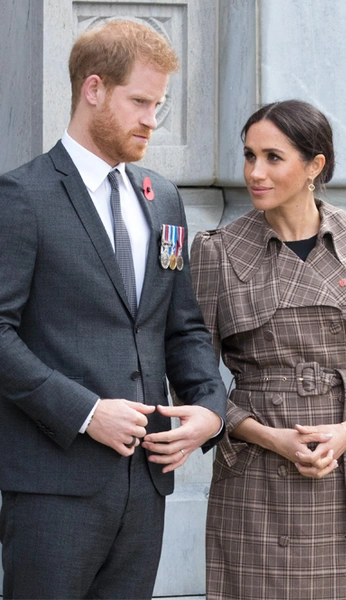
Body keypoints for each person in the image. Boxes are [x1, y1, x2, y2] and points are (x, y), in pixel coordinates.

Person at [0, 19, 226, 600]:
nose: (153, 119)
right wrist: (85, 411)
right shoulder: (21, 196)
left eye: (160, 105)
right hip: (53, 489)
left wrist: (209, 409)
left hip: (146, 488)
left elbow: (183, 326)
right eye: (141, 102)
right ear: (94, 89)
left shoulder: (163, 198)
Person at [190, 99, 346, 600]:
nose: (255, 172)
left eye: (273, 157)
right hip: (256, 477)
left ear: (314, 166)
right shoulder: (217, 251)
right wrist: (270, 438)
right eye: (249, 155)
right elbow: (192, 378)